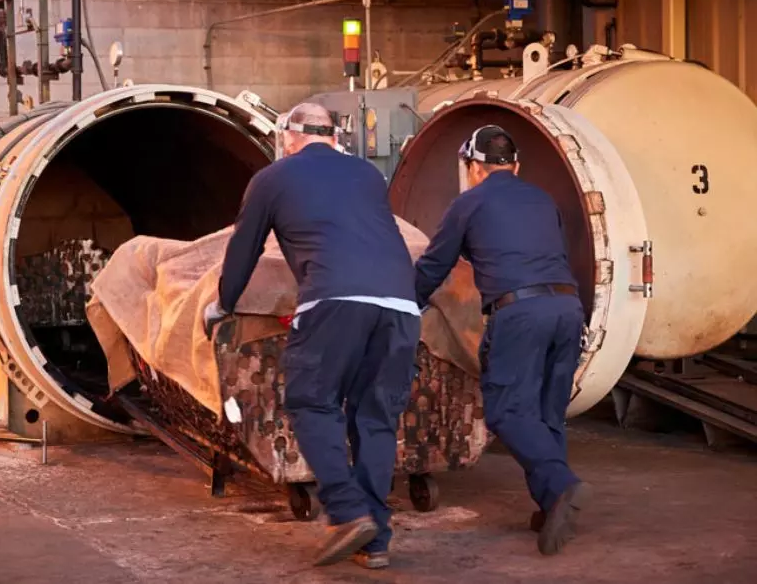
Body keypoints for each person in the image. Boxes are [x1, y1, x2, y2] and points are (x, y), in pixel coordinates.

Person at [203, 103, 421, 569]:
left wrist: (223, 303)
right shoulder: (366, 175)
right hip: (402, 305)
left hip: (334, 301)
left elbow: (244, 247)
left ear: (288, 135)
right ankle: (374, 542)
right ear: (334, 136)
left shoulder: (273, 178)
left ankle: (346, 510)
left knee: (311, 401)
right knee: (375, 417)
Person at [414, 125, 592, 556]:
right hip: (567, 309)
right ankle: (552, 505)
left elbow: (433, 267)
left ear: (475, 167)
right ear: (515, 165)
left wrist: (403, 307)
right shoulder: (543, 200)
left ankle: (562, 484)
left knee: (507, 409)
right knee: (547, 413)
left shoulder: (468, 203)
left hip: (521, 313)